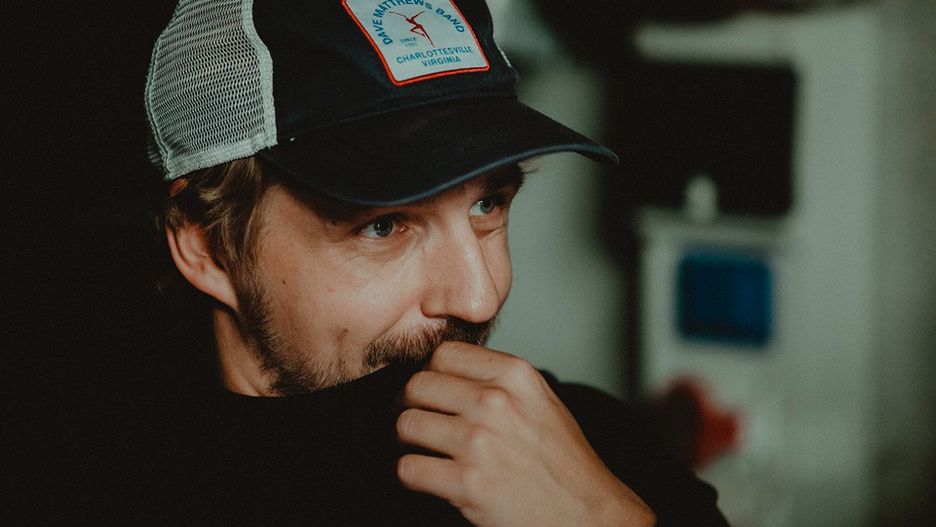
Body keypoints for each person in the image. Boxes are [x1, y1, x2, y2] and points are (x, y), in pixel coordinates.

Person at [108, 0, 728, 525]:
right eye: (383, 226)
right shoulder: (105, 489)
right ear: (208, 247)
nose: (479, 298)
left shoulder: (588, 448)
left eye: (487, 204)